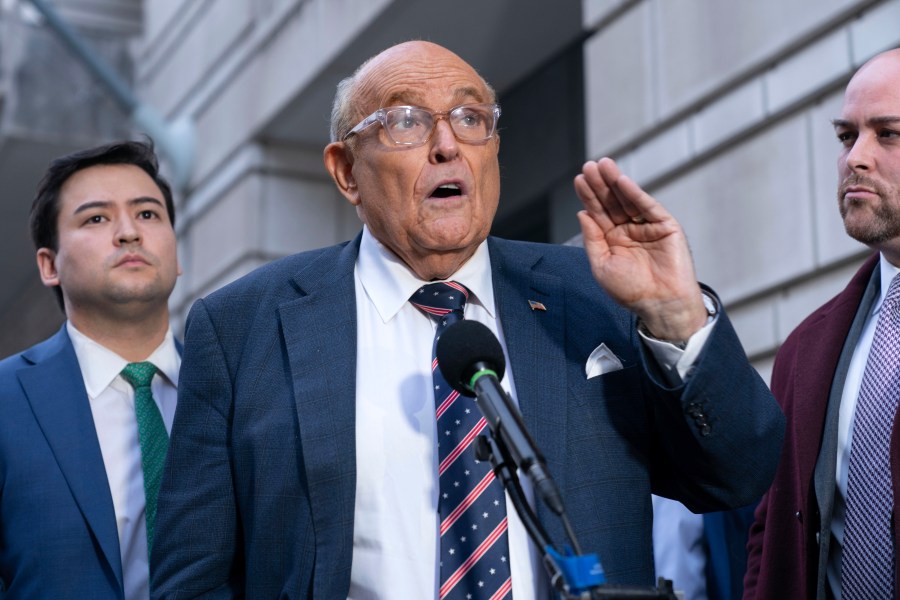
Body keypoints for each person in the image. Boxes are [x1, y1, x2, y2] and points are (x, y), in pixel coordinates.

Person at [152, 41, 783, 599]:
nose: (448, 144)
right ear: (346, 171)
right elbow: (194, 578)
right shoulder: (241, 327)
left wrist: (675, 316)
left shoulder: (592, 292)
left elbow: (736, 477)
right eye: (405, 121)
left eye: (470, 117)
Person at [744, 47, 900, 599]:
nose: (856, 157)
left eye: (889, 134)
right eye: (846, 136)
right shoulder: (805, 349)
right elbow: (772, 532)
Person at [0, 140, 182, 599]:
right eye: (96, 218)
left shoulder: (238, 392)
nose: (128, 233)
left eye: (148, 214)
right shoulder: (6, 402)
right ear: (49, 265)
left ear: (177, 256)